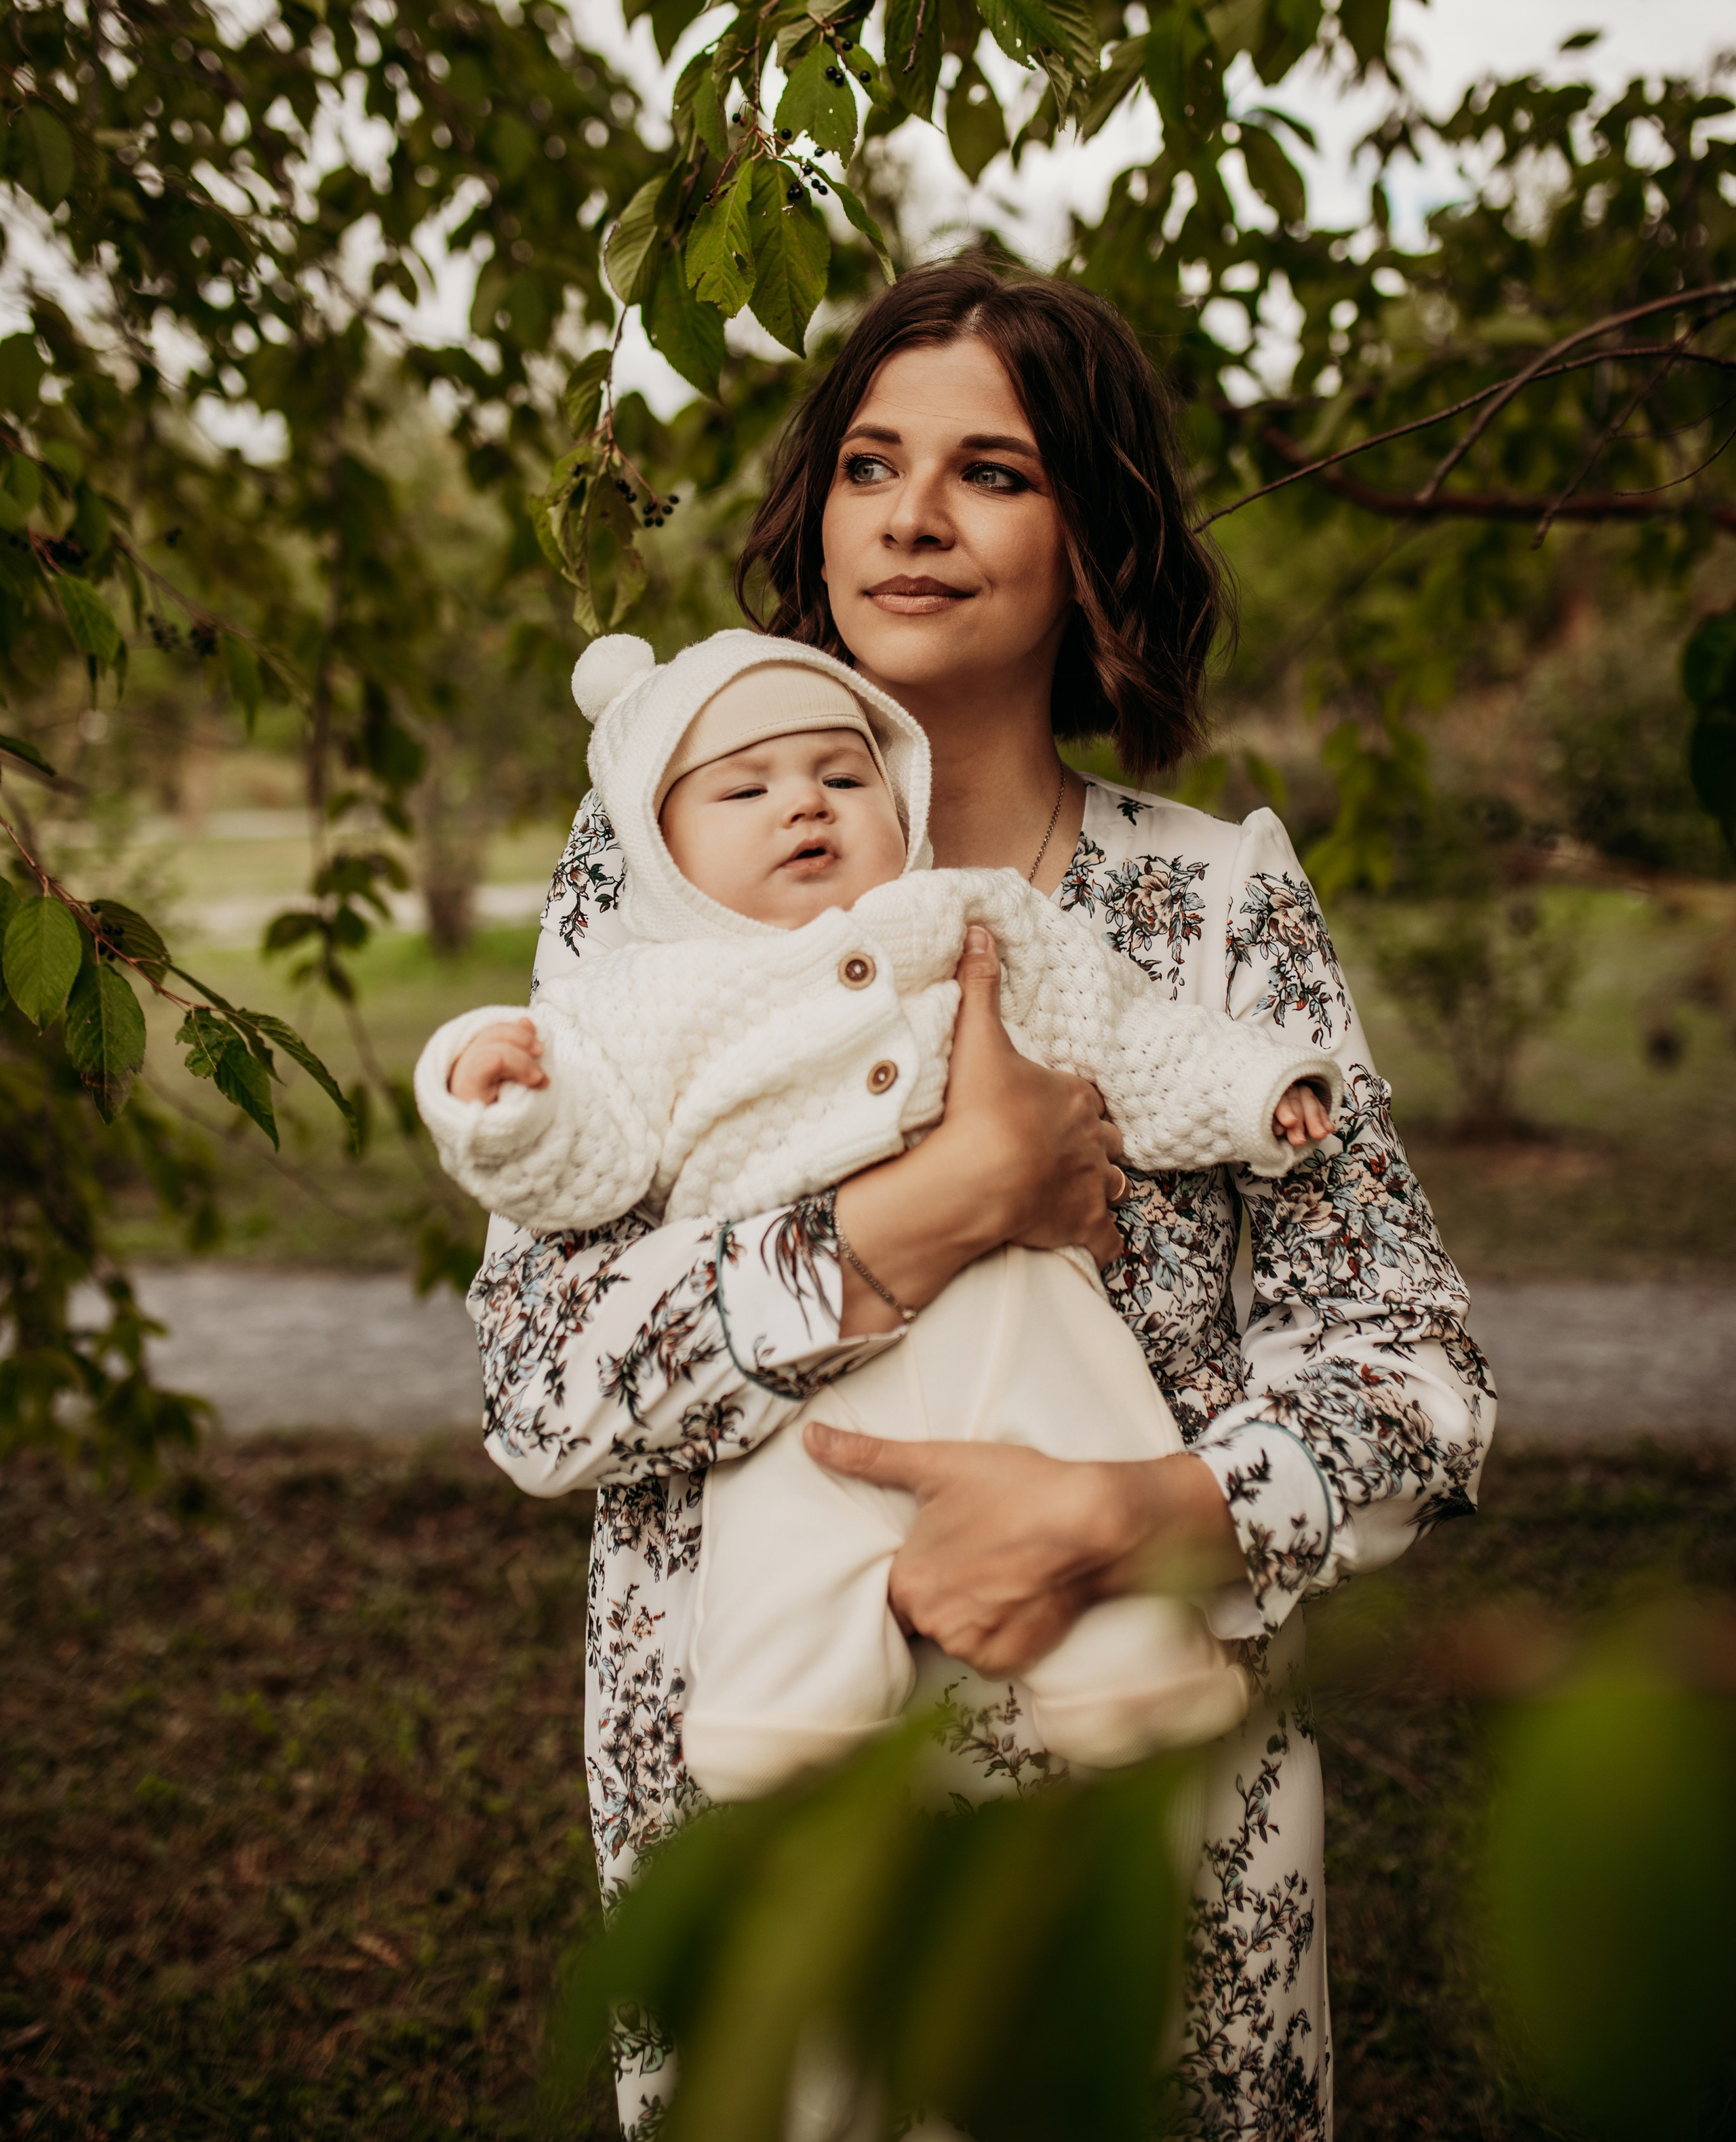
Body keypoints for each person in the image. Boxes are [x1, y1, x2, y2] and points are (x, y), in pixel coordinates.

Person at [467, 260, 1495, 2141]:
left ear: (1094, 531)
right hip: (760, 1831)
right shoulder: (657, 890)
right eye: (872, 464)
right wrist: (932, 1214)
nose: (915, 517)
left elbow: (1417, 1380)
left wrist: (1141, 1511)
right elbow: (543, 1392)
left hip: (1146, 1836)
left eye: (993, 472)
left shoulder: (1211, 909)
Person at [416, 627, 1341, 1800]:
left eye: (843, 778)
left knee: (1084, 1410)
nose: (803, 806)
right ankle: (780, 1716)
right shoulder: (640, 995)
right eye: (746, 789)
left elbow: (1130, 1034)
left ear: (899, 799)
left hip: (1027, 1300)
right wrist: (508, 1108)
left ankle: (1139, 1674)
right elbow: (585, 1162)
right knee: (785, 1520)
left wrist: (1259, 1089)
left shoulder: (966, 919)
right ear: (660, 851)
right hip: (799, 1367)